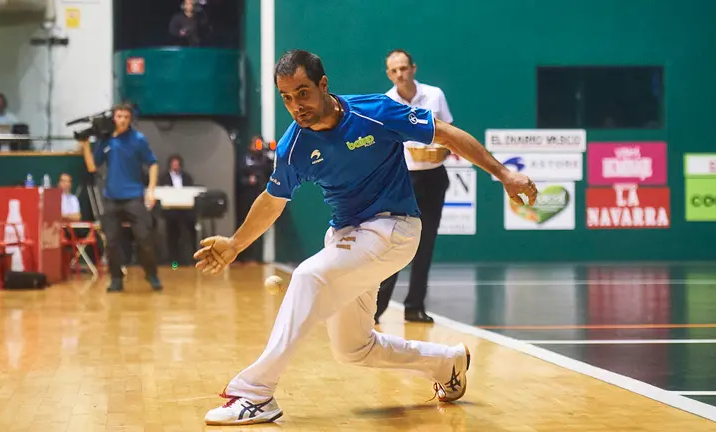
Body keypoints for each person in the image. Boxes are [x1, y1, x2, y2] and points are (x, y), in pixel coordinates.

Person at [193, 50, 537, 426]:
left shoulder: (374, 111)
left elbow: (447, 134)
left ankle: (255, 392)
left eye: (303, 93)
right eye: (287, 97)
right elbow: (272, 201)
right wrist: (236, 244)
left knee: (309, 276)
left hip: (396, 229)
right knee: (353, 349)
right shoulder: (295, 145)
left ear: (323, 86)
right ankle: (446, 361)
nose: (296, 106)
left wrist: (503, 173)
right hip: (348, 238)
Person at [375, 49, 454, 324]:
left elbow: (449, 134)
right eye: (394, 70)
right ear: (389, 74)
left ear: (413, 68)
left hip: (434, 178)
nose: (400, 74)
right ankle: (376, 310)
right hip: (402, 180)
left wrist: (442, 152)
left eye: (404, 68)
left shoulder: (434, 95)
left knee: (426, 243)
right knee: (395, 243)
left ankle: (414, 307)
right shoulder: (386, 102)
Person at [80, 104, 163, 292]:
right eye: (119, 116)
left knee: (144, 239)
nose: (123, 120)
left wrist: (150, 189)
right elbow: (93, 166)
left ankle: (152, 274)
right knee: (111, 242)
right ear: (114, 118)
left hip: (134, 197)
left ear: (130, 118)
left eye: (126, 116)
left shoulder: (138, 140)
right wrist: (85, 145)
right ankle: (116, 279)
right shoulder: (106, 141)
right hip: (112, 199)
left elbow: (153, 164)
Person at [235, 136, 274, 264]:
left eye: (259, 144)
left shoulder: (265, 159)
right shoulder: (244, 159)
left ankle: (253, 257)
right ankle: (240, 256)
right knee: (243, 224)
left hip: (259, 196)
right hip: (245, 197)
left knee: (258, 225)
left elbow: (270, 171)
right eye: (255, 144)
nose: (257, 146)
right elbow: (239, 176)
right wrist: (248, 180)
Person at [159, 154, 196, 266]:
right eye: (173, 163)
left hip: (186, 211)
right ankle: (173, 260)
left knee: (189, 232)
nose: (175, 165)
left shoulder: (186, 177)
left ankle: (190, 259)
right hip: (171, 211)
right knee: (172, 234)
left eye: (177, 163)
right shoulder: (164, 178)